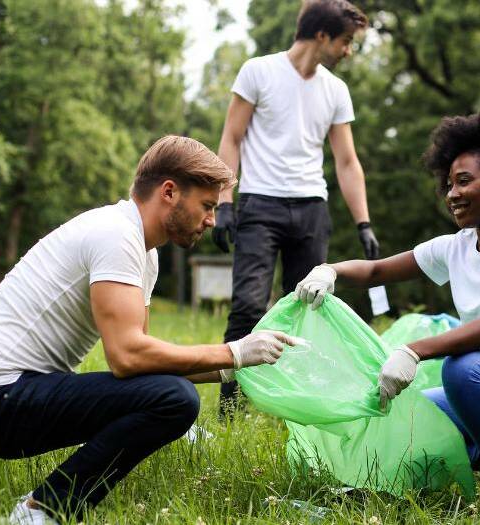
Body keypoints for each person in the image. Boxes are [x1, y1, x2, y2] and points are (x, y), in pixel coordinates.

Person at [0, 136, 299, 524]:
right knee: (176, 399)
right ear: (169, 192)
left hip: (8, 398)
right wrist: (234, 352)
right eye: (206, 206)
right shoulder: (115, 235)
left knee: (169, 394)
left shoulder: (143, 251)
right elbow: (127, 356)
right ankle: (43, 510)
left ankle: (44, 504)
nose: (212, 221)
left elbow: (146, 363)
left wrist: (242, 364)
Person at [295, 107, 480, 497]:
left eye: (464, 181)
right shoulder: (455, 248)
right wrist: (330, 270)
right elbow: (377, 271)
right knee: (416, 415)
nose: (452, 194)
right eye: (449, 184)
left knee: (462, 369)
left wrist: (414, 351)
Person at [213, 0, 379, 413]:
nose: (348, 51)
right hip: (260, 205)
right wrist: (224, 202)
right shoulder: (258, 71)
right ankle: (232, 406)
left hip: (311, 209)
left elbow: (346, 160)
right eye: (345, 41)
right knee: (250, 304)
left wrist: (363, 222)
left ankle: (290, 405)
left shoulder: (336, 90)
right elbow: (231, 138)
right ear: (322, 36)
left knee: (305, 307)